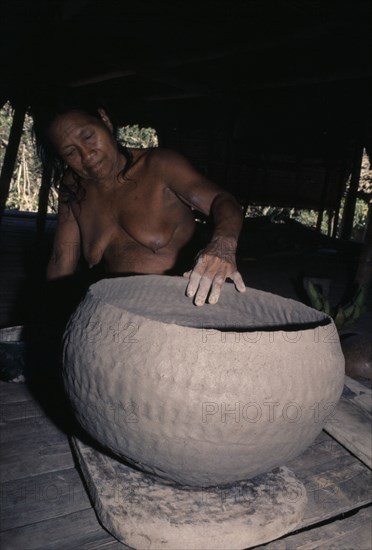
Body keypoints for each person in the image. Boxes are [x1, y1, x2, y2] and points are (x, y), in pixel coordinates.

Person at [33, 92, 246, 307]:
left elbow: (223, 200)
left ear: (104, 120)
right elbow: (61, 262)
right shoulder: (73, 187)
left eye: (88, 137)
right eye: (70, 153)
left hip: (184, 307)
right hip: (115, 311)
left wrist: (222, 245)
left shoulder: (159, 165)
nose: (87, 156)